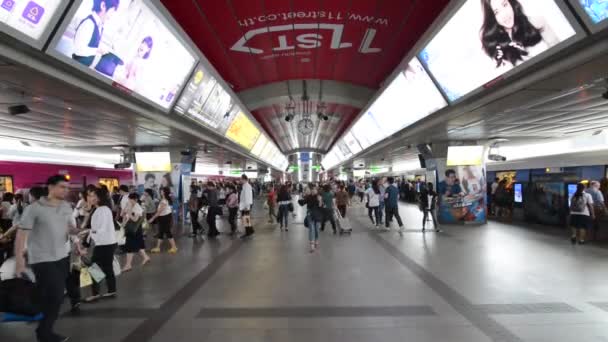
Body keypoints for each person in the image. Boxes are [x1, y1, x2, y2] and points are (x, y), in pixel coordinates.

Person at [14, 175, 76, 342]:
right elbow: (21, 235)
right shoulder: (34, 208)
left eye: (67, 187)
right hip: (42, 258)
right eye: (62, 187)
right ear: (50, 187)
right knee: (56, 295)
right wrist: (19, 260)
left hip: (62, 256)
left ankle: (36, 315)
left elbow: (67, 228)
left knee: (51, 294)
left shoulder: (66, 206)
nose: (66, 190)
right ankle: (44, 332)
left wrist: (77, 236)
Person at [480, 0, 559, 68]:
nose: (505, 15)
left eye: (505, 5)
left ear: (511, 3)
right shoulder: (494, 45)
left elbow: (560, 53)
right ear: (492, 17)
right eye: (496, 12)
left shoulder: (537, 23)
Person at [80, 188, 117, 303]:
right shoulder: (100, 209)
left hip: (104, 244)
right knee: (107, 268)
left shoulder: (102, 210)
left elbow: (101, 229)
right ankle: (111, 290)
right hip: (107, 242)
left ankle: (95, 293)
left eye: (92, 195)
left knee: (93, 268)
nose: (89, 198)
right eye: (89, 195)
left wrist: (88, 232)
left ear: (99, 198)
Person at [71, 0, 120, 68]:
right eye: (112, 11)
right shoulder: (89, 23)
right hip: (73, 67)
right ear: (103, 6)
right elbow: (78, 50)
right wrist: (97, 50)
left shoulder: (100, 26)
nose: (111, 16)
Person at [121, 193, 150, 272]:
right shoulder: (130, 206)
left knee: (129, 246)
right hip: (131, 229)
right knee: (138, 244)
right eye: (129, 199)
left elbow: (135, 219)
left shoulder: (137, 207)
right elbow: (122, 214)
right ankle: (145, 257)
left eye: (131, 199)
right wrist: (125, 209)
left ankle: (128, 265)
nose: (129, 201)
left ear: (135, 200)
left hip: (134, 229)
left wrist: (129, 212)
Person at [149, 188, 177, 253]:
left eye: (161, 191)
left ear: (164, 192)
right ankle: (157, 247)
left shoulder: (164, 201)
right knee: (161, 232)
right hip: (163, 217)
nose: (160, 192)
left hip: (165, 218)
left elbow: (159, 211)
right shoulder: (164, 200)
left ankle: (174, 247)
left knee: (167, 232)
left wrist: (152, 218)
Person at [299, 185, 323, 252]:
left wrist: (320, 201)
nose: (313, 191)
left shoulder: (319, 197)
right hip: (310, 214)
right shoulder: (308, 197)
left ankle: (316, 240)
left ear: (316, 191)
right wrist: (302, 196)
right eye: (312, 190)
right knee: (311, 229)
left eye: (314, 190)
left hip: (318, 215)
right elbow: (302, 203)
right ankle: (312, 245)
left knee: (316, 229)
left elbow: (321, 206)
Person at [239, 174, 254, 238]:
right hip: (244, 205)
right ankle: (250, 231)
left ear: (244, 179)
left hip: (246, 206)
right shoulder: (245, 186)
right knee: (246, 219)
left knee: (246, 219)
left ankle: (248, 232)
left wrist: (246, 206)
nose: (240, 180)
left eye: (241, 179)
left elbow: (247, 197)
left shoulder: (247, 186)